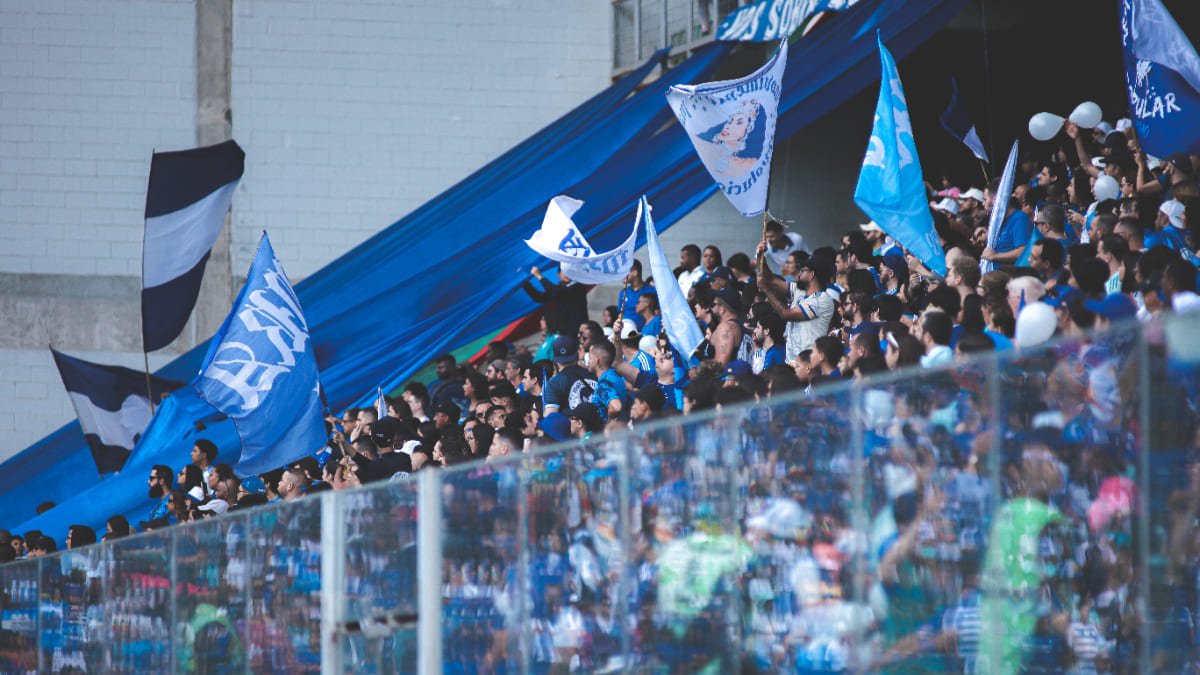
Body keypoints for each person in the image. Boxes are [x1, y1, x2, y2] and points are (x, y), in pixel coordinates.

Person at [757, 247, 836, 360]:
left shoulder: (822, 300)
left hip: (809, 362)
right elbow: (770, 279)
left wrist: (766, 290)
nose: (799, 274)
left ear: (812, 274)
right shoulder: (800, 290)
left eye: (803, 270)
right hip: (793, 361)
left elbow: (786, 314)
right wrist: (761, 255)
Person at [543, 336, 596, 416]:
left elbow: (551, 416)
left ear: (556, 360)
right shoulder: (593, 371)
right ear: (577, 354)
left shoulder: (554, 383)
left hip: (577, 423)